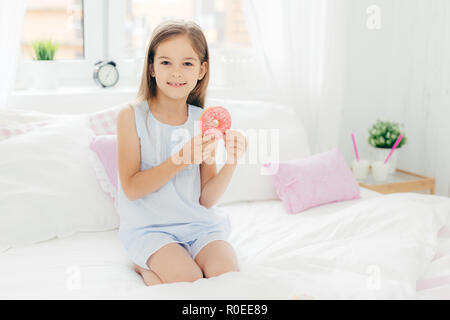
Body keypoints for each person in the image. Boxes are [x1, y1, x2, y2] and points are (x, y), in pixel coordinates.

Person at [116, 20, 247, 286]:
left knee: (227, 275)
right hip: (152, 230)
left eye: (187, 63)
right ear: (151, 67)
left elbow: (206, 199)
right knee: (187, 279)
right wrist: (181, 159)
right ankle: (143, 267)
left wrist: (231, 162)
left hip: (199, 225)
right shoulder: (131, 116)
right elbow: (131, 188)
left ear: (202, 69)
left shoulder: (203, 121)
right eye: (166, 62)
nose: (176, 72)